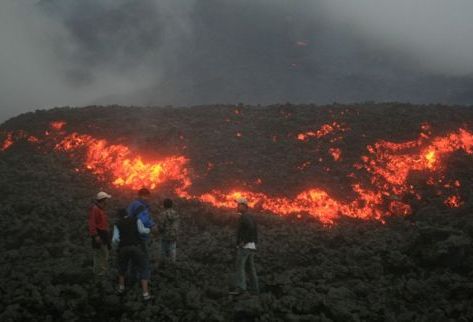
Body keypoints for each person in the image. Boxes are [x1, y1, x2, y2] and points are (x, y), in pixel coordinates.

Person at [112, 209, 152, 301]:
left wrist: (116, 249)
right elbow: (142, 231)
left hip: (123, 248)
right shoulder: (135, 220)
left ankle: (121, 288)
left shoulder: (117, 224)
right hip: (135, 247)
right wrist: (149, 230)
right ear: (127, 214)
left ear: (119, 216)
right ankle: (145, 294)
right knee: (143, 267)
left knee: (122, 268)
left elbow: (115, 239)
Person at [230, 197, 259, 295]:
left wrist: (243, 241)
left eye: (239, 205)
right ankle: (255, 289)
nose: (237, 207)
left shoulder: (245, 216)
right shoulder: (250, 216)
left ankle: (241, 288)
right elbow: (253, 230)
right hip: (251, 246)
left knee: (240, 266)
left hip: (245, 246)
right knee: (250, 268)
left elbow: (250, 228)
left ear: (244, 206)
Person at [127, 188, 156, 282]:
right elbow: (143, 220)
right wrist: (152, 226)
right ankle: (144, 279)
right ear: (141, 196)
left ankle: (132, 278)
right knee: (143, 258)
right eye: (146, 196)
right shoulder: (140, 206)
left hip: (131, 236)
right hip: (139, 237)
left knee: (133, 257)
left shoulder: (133, 204)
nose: (148, 198)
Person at [88, 191, 112, 277]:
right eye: (106, 200)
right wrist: (95, 235)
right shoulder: (95, 209)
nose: (107, 202)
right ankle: (100, 273)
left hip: (103, 234)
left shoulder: (101, 209)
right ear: (103, 200)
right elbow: (92, 223)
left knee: (103, 253)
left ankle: (99, 272)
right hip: (99, 235)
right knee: (101, 254)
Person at [158, 198, 179, 263]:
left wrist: (159, 231)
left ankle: (162, 263)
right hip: (173, 234)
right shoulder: (176, 214)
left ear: (164, 205)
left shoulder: (163, 214)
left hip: (165, 235)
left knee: (163, 249)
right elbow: (177, 224)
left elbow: (161, 226)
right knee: (173, 249)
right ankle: (173, 263)